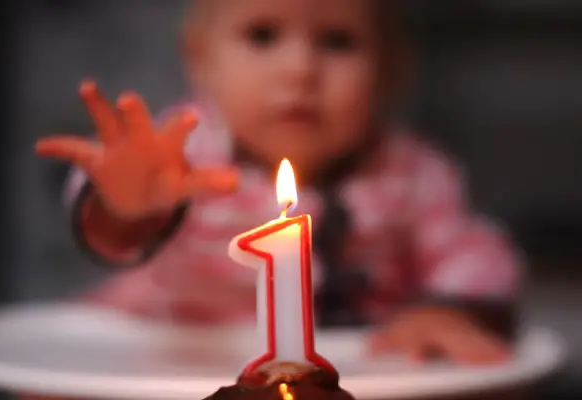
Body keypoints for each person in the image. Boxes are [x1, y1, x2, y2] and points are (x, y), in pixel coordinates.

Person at [36, 0, 522, 371]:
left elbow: (475, 252)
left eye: (337, 41)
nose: (300, 70)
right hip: (183, 355)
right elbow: (117, 234)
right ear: (201, 60)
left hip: (353, 368)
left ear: (389, 71)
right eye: (263, 35)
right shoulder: (187, 152)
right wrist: (128, 203)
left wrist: (450, 312)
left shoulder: (411, 172)